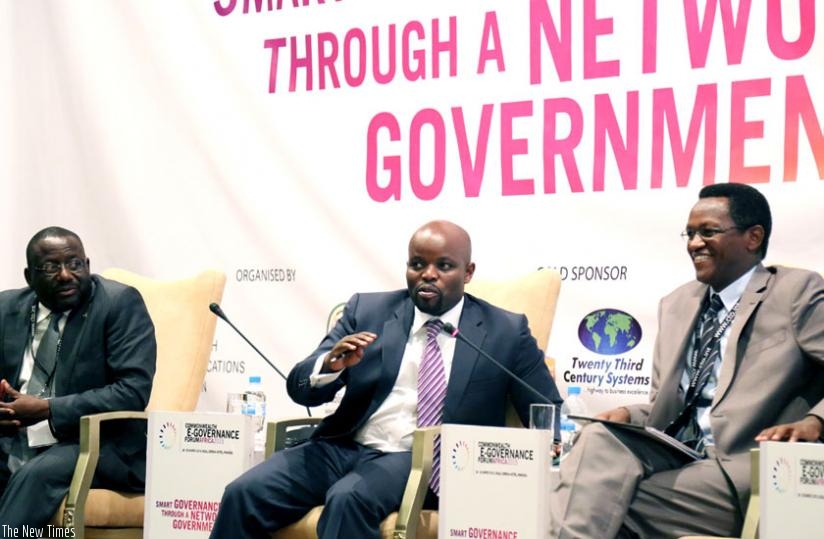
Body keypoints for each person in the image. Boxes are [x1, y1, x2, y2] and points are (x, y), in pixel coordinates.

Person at [211, 220, 562, 538]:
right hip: (342, 445)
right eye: (417, 264)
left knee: (348, 499)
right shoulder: (368, 311)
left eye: (444, 266)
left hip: (418, 458)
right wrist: (332, 365)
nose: (428, 274)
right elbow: (300, 386)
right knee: (243, 493)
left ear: (467, 272)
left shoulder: (505, 331)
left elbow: (546, 410)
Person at [551, 183, 824, 538]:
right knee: (599, 440)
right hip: (677, 452)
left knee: (596, 500)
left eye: (708, 232)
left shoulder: (794, 292)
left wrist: (814, 422)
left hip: (745, 463)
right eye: (690, 233)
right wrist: (630, 415)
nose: (694, 243)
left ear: (753, 237)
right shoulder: (677, 303)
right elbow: (671, 405)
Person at [0, 226, 157, 528]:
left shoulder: (118, 304)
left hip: (94, 442)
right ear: (28, 277)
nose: (65, 275)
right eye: (50, 267)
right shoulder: (7, 308)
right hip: (15, 435)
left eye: (74, 264)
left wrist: (48, 409)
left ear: (87, 266)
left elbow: (132, 391)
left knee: (36, 475)